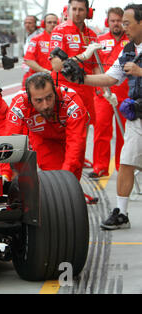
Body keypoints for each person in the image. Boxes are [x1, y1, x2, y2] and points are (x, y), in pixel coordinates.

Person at [66, 4, 142, 230]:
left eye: (128, 23)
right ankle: (122, 212)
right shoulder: (128, 49)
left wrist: (140, 72)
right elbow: (110, 78)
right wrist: (82, 79)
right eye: (122, 22)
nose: (124, 27)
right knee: (127, 162)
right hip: (137, 116)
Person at [2, 72, 89, 181]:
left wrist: (68, 175)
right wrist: (5, 174)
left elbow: (76, 141)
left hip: (69, 137)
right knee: (55, 179)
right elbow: (11, 141)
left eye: (49, 97)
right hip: (43, 139)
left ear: (55, 91)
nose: (46, 105)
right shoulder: (19, 104)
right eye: (39, 100)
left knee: (72, 179)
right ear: (29, 98)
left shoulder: (71, 101)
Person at [89, 7, 129, 178]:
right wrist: (103, 89)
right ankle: (100, 167)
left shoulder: (132, 41)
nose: (116, 24)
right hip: (103, 94)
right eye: (112, 20)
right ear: (107, 22)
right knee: (101, 131)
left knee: (125, 133)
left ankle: (122, 166)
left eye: (119, 20)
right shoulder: (100, 40)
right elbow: (95, 65)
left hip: (126, 94)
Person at [49, 0, 101, 126]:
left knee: (84, 131)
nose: (77, 13)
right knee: (67, 135)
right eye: (74, 9)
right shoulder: (59, 31)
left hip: (87, 90)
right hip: (65, 90)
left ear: (87, 12)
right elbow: (56, 66)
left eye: (81, 9)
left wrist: (105, 91)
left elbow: (95, 67)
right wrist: (83, 56)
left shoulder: (92, 35)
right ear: (68, 10)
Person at [22, 15, 43, 86]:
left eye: (30, 23)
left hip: (37, 72)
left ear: (35, 24)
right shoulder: (27, 36)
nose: (27, 25)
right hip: (28, 71)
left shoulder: (40, 36)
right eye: (25, 23)